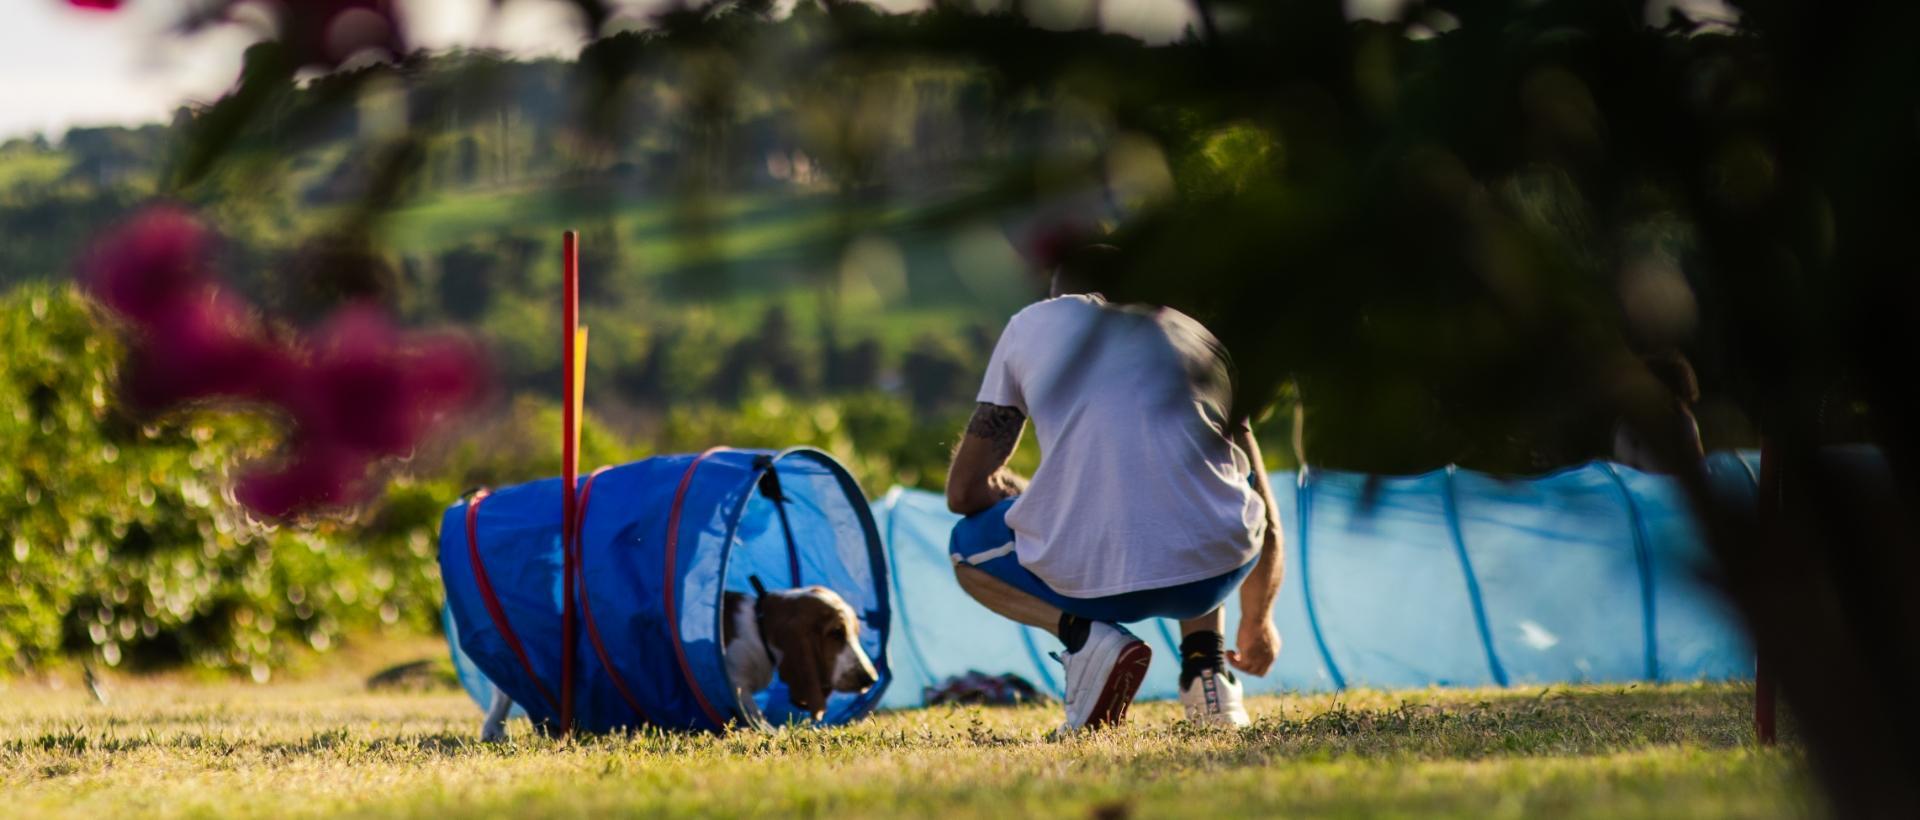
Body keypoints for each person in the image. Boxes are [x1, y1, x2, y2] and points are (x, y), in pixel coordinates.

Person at [944, 244, 1284, 733]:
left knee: (966, 548)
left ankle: (1086, 639)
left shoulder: (1032, 324)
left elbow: (964, 495)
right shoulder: (1201, 339)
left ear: (1058, 297)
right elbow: (1266, 514)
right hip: (1216, 571)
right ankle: (1209, 675)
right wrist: (1260, 621)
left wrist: (1026, 495)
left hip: (1093, 581)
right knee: (1214, 484)